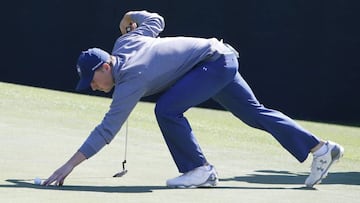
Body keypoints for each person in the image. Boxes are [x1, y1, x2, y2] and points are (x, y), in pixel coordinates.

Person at [43, 10, 344, 188]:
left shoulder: (131, 77)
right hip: (220, 58)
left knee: (167, 110)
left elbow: (107, 129)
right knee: (255, 114)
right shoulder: (126, 39)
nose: (92, 86)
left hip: (213, 63)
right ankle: (321, 149)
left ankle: (199, 170)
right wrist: (129, 16)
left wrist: (68, 166)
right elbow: (155, 21)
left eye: (91, 80)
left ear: (105, 66)